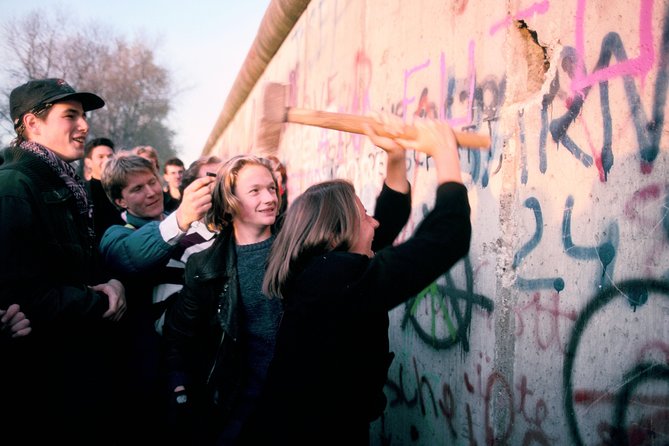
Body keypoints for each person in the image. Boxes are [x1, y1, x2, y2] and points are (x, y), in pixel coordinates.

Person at [240, 114, 472, 445]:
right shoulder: (333, 282)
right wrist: (446, 155)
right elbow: (447, 238)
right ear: (337, 234)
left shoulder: (318, 270)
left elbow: (387, 221)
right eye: (363, 217)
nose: (374, 224)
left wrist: (395, 156)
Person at [0, 78, 127, 445]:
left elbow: (80, 262)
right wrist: (102, 300)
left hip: (77, 366)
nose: (84, 125)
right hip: (44, 380)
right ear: (32, 124)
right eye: (70, 115)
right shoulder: (15, 187)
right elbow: (23, 297)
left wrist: (112, 281)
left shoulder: (63, 183)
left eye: (83, 116)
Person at [162, 154, 284, 445]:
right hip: (235, 407)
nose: (269, 198)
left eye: (271, 188)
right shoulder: (205, 266)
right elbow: (179, 336)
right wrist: (180, 386)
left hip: (293, 400)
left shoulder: (297, 250)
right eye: (255, 191)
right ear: (230, 201)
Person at [99, 153, 214, 444]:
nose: (151, 192)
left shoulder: (190, 223)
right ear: (120, 201)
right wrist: (180, 221)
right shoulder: (115, 235)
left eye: (151, 182)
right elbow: (130, 256)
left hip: (202, 360)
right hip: (151, 376)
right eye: (136, 189)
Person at [84, 137, 124, 245]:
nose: (107, 160)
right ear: (89, 162)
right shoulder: (82, 192)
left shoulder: (124, 189)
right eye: (100, 157)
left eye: (110, 156)